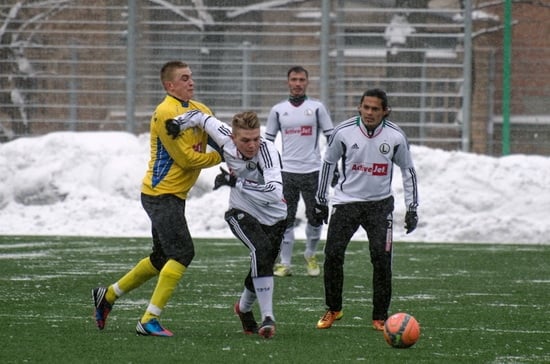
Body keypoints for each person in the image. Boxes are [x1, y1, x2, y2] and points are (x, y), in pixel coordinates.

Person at [92, 61, 222, 337]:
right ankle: (149, 319)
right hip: (160, 194)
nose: (191, 82)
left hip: (173, 195)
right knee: (183, 252)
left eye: (191, 77)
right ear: (169, 86)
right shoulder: (165, 112)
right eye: (184, 78)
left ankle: (109, 296)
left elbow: (217, 139)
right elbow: (185, 159)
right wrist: (221, 157)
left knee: (163, 256)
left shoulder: (201, 110)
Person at [166, 110, 287, 339]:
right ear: (232, 137)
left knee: (264, 264)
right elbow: (201, 117)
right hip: (241, 211)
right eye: (245, 140)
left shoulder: (268, 151)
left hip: (275, 216)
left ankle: (242, 308)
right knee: (260, 250)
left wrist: (236, 182)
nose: (252, 145)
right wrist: (178, 124)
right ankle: (268, 317)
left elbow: (274, 193)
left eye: (255, 138)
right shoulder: (223, 136)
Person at [314, 88, 419, 332]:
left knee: (381, 259)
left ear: (385, 111)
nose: (369, 113)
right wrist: (320, 200)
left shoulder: (395, 136)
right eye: (366, 107)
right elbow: (328, 162)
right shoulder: (343, 132)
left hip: (379, 206)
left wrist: (412, 208)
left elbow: (408, 171)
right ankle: (334, 308)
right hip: (346, 202)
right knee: (333, 255)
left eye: (375, 109)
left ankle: (380, 316)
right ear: (359, 108)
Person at [264, 66, 335, 278]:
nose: (297, 83)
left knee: (315, 217)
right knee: (286, 218)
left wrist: (334, 167)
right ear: (288, 82)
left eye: (301, 80)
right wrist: (270, 169)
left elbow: (332, 139)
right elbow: (267, 142)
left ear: (307, 82)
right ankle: (285, 263)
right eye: (294, 79)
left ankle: (310, 255)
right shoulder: (278, 110)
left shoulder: (317, 108)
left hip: (313, 172)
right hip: (287, 174)